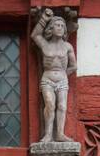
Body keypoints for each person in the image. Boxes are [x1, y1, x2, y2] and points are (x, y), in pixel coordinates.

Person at [30, 8, 76, 143]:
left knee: (62, 106)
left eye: (62, 26)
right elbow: (35, 35)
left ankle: (60, 134)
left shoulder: (67, 47)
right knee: (50, 105)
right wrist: (44, 18)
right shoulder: (45, 45)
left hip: (62, 79)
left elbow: (74, 66)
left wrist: (63, 75)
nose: (60, 28)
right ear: (51, 27)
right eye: (57, 25)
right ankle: (48, 135)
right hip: (47, 79)